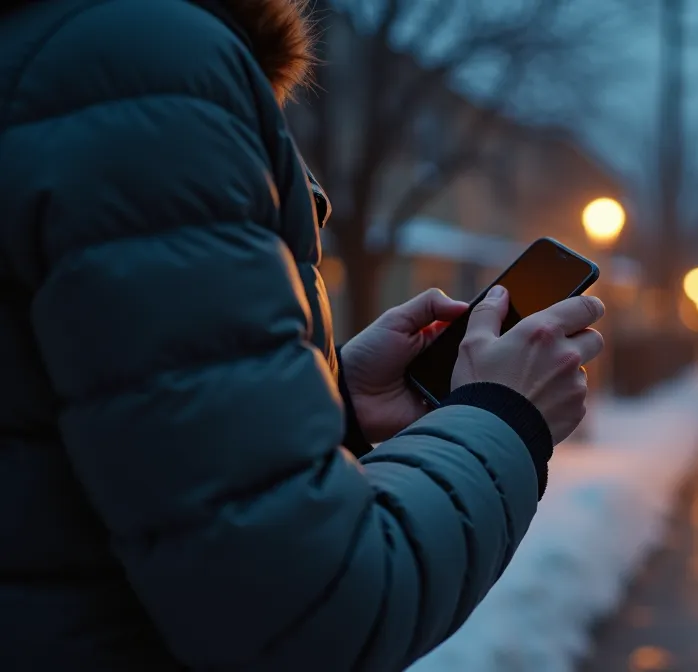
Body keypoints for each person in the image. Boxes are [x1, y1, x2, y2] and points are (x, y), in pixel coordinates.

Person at [0, 0, 603, 669]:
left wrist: (333, 402)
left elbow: (83, 452)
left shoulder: (58, 46)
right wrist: (503, 417)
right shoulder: (144, 60)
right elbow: (316, 612)